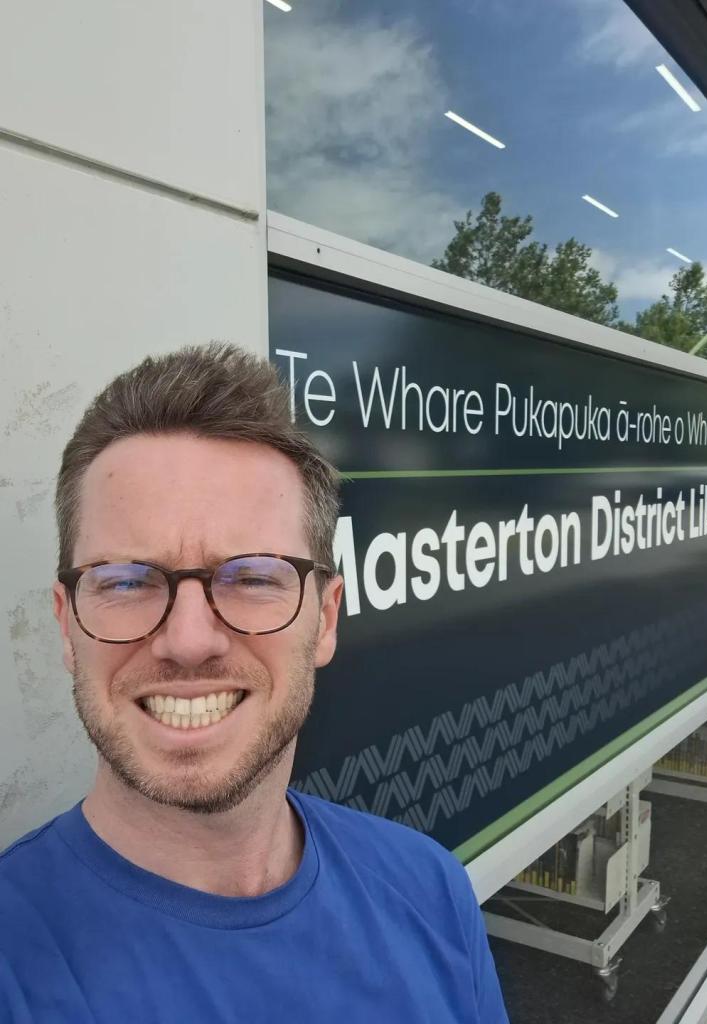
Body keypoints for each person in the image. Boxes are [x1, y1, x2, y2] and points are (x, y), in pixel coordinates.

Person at [0, 344, 509, 1023]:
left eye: (253, 578)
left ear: (325, 620)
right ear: (67, 627)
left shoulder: (431, 892)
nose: (188, 641)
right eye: (125, 581)